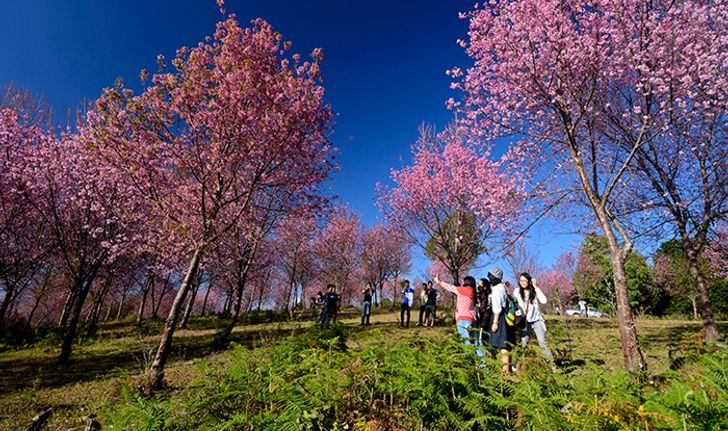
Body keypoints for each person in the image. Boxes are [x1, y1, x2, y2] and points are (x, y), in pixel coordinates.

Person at [434, 274, 485, 363]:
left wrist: (439, 281)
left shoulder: (461, 290)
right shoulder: (473, 293)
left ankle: (470, 362)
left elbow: (449, 287)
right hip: (472, 320)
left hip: (462, 320)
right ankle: (483, 362)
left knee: (466, 343)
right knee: (475, 342)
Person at [513, 272, 554, 364]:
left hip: (536, 320)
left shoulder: (534, 291)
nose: (523, 282)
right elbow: (513, 304)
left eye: (525, 280)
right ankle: (517, 365)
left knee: (543, 343)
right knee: (523, 343)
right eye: (521, 280)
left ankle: (552, 365)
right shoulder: (516, 291)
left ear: (529, 281)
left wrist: (536, 287)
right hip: (524, 321)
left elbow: (544, 301)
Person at [488, 267, 516, 372]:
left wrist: (495, 322)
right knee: (507, 345)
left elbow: (497, 308)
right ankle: (508, 368)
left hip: (500, 319)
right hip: (508, 318)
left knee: (502, 345)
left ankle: (505, 370)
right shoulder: (504, 287)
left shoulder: (496, 290)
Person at [476, 278, 492, 347]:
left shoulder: (488, 296)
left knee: (483, 337)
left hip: (485, 321)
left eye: (479, 285)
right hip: (482, 320)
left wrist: (483, 323)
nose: (478, 286)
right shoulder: (479, 295)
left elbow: (487, 311)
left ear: (485, 287)